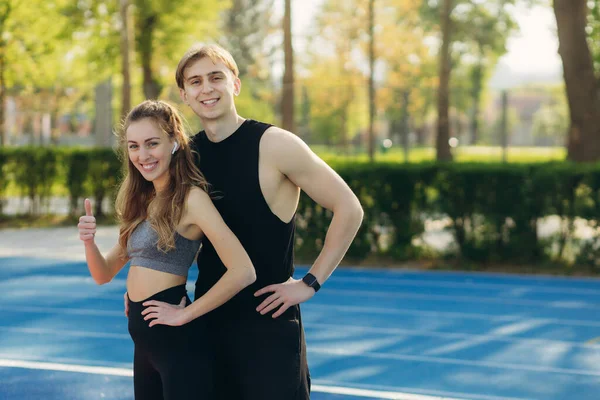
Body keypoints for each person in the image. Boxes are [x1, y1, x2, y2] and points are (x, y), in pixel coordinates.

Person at [129, 44, 364, 400]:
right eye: (195, 82)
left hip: (268, 325)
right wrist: (142, 290)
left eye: (215, 77)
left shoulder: (275, 144)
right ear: (185, 96)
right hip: (206, 322)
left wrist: (311, 282)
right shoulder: (186, 157)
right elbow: (167, 230)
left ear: (234, 84)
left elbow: (349, 207)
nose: (206, 88)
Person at [78, 99, 256, 400]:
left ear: (174, 142)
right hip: (144, 347)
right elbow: (103, 274)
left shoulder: (191, 199)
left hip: (178, 347)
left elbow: (243, 271)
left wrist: (186, 315)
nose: (142, 155)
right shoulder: (143, 199)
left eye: (152, 143)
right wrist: (89, 242)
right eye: (133, 146)